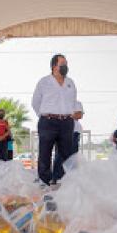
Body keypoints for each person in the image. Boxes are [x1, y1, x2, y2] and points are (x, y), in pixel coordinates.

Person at [31, 54, 78, 185]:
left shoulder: (70, 82)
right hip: (48, 122)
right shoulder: (44, 82)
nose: (66, 67)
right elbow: (35, 102)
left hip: (67, 123)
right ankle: (44, 181)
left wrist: (67, 114)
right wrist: (45, 116)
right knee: (45, 153)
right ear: (54, 66)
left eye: (66, 64)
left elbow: (73, 102)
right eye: (62, 64)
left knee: (65, 153)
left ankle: (60, 180)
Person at [53, 100, 84, 181]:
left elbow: (79, 115)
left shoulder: (76, 103)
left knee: (72, 156)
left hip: (73, 132)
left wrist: (65, 116)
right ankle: (57, 178)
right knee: (59, 156)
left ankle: (72, 179)